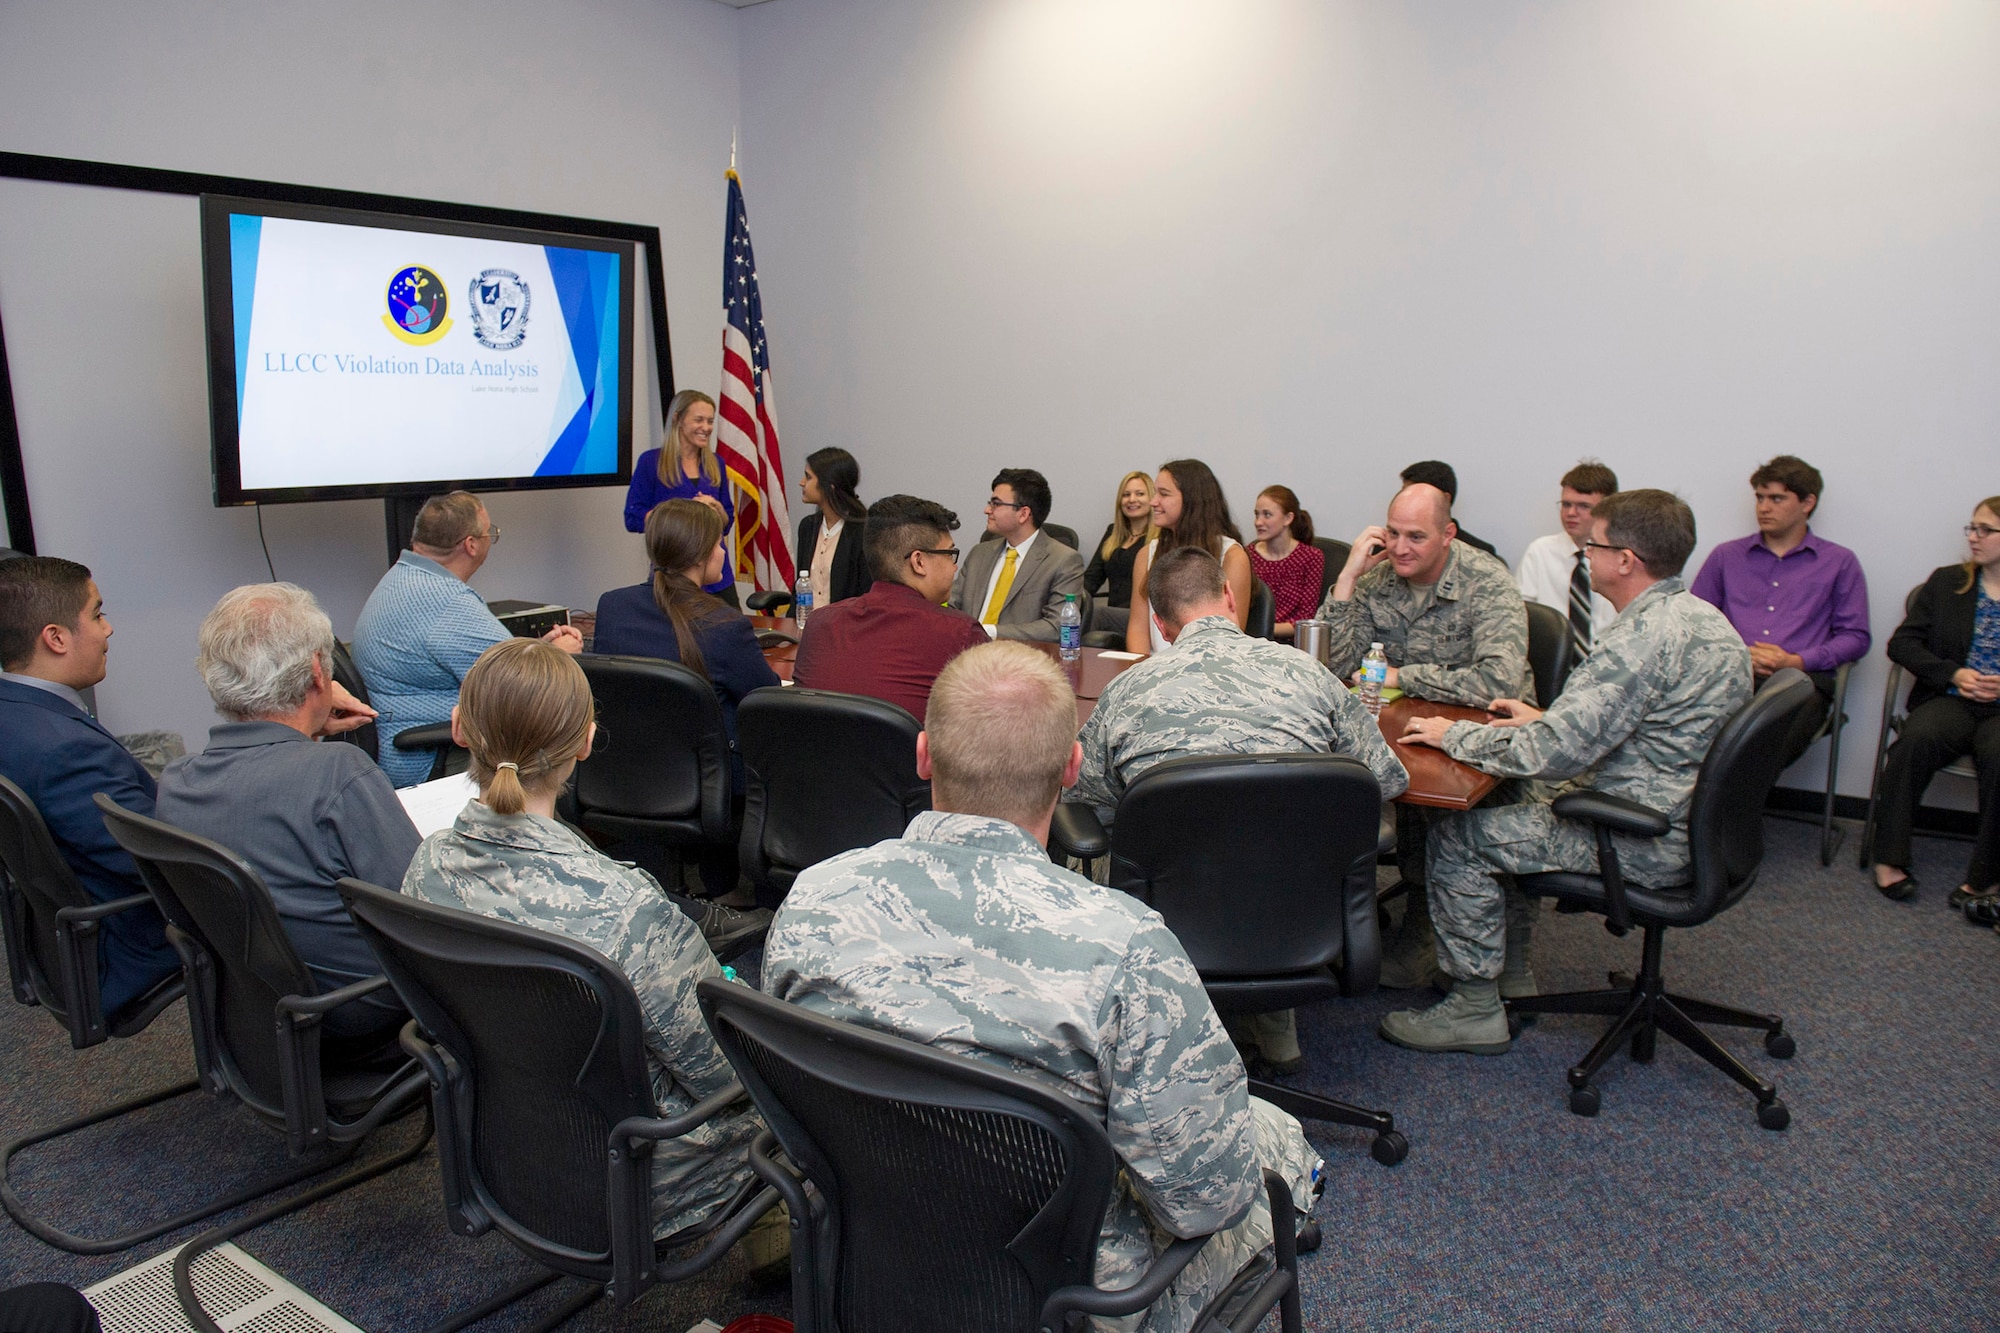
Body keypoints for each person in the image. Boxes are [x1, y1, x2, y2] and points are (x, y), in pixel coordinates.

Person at [764, 641, 1323, 1333]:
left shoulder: (815, 897)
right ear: (1073, 766)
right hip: (1065, 1300)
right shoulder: (1127, 944)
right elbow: (1203, 1201)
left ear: (922, 754)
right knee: (1277, 1143)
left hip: (864, 1249)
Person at [401, 638, 764, 1239]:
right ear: (587, 741)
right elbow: (726, 1078)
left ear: (460, 729)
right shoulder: (627, 911)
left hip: (499, 1150)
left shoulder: (427, 867)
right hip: (645, 1181)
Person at [1387, 490, 1752, 1055]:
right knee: (1509, 801)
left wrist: (1451, 734)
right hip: (1685, 817)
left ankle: (1474, 1009)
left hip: (1643, 835)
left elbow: (1553, 753)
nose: (1586, 556)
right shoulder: (1700, 619)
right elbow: (1635, 722)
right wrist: (1544, 717)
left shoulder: (1642, 639)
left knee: (1459, 836)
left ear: (1625, 560)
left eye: (1593, 546)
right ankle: (1510, 974)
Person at [1068, 546, 1409, 1076]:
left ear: (1158, 622)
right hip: (1298, 912)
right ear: (1230, 597)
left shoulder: (1129, 690)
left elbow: (1087, 799)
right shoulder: (1311, 675)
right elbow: (1385, 781)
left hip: (1171, 921)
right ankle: (1275, 1026)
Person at [154, 584, 414, 1044]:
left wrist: (307, 729)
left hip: (257, 1010)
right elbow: (418, 908)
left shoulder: (176, 783)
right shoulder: (338, 773)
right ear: (319, 672)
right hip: (361, 1011)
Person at [1316, 481, 1533, 990]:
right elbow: (1333, 665)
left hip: (1482, 740)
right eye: (1391, 533)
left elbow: (1498, 682)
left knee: (1439, 812)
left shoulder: (1487, 581)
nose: (1399, 548)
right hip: (1406, 732)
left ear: (1448, 535)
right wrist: (1347, 578)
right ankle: (1407, 922)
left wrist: (1403, 675)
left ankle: (1463, 944)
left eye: (1416, 536)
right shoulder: (1379, 579)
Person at [0, 557, 181, 1014]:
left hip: (61, 937)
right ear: (56, 638)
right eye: (97, 614)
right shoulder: (65, 752)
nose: (109, 629)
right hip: (133, 941)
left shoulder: (15, 711)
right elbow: (167, 862)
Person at [352, 491, 583, 788]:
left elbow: (496, 659)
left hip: (393, 748)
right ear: (471, 545)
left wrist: (540, 650)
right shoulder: (448, 603)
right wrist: (559, 656)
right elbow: (523, 687)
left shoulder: (401, 577)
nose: (491, 538)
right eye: (490, 533)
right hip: (430, 756)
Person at [1690, 455, 1870, 770]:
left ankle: (1727, 812)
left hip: (1801, 681)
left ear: (1807, 502)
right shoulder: (1726, 556)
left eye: (1777, 498)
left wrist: (1795, 660)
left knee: (1764, 743)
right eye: (1759, 498)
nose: (1764, 507)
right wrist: (1740, 653)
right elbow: (1692, 622)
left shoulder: (1839, 562)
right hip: (1728, 672)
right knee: (1685, 724)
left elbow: (1856, 637)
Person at [1867, 498, 2000, 912]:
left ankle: (1985, 876)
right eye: (1971, 528)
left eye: (1984, 530)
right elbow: (1902, 644)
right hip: (1950, 698)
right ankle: (1889, 859)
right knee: (1912, 743)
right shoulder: (1947, 583)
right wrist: (1954, 674)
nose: (1973, 538)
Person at [595, 499, 781, 781]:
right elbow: (769, 699)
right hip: (706, 790)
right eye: (719, 544)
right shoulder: (725, 625)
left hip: (619, 783)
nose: (722, 552)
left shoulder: (611, 607)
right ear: (698, 556)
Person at [791, 494, 988, 722]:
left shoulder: (819, 623)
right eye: (950, 554)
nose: (955, 568)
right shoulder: (959, 633)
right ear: (919, 562)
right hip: (911, 757)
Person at [1125, 459, 1252, 655]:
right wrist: (1144, 673)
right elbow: (1138, 630)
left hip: (1209, 671)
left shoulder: (1232, 557)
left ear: (1193, 500)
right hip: (1155, 670)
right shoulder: (1146, 554)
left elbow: (1230, 638)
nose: (1153, 502)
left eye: (1164, 494)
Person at [624, 389, 739, 603]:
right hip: (674, 577)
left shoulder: (716, 464)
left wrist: (716, 509)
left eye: (710, 421)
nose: (706, 427)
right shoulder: (651, 462)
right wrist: (681, 516)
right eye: (699, 420)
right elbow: (632, 518)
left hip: (718, 577)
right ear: (677, 419)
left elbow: (727, 522)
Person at [948, 468, 1087, 641]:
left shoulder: (1063, 560)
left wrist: (987, 632)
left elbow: (1056, 627)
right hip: (964, 654)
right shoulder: (979, 553)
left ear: (1023, 514)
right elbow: (951, 605)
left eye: (996, 504)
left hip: (1019, 659)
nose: (987, 510)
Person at [1516, 460, 1620, 664]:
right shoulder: (1540, 551)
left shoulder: (1620, 557)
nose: (1571, 513)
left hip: (1606, 663)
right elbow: (1520, 615)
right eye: (1566, 504)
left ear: (1607, 509)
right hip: (1551, 663)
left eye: (1584, 506)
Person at [1247, 485, 1326, 640]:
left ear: (1288, 518)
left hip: (1291, 643)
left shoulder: (1311, 557)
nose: (1258, 522)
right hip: (1252, 641)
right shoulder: (1247, 554)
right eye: (1257, 515)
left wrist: (1265, 629)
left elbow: (1305, 619)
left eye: (1267, 515)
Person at [1083, 471, 1156, 637]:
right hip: (1115, 615)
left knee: (1099, 615)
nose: (1131, 500)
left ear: (1152, 498)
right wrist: (1070, 601)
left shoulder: (1159, 539)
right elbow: (1091, 579)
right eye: (1126, 495)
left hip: (1143, 617)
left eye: (1140, 494)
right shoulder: (1113, 533)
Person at [794, 446, 869, 607]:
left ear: (830, 485)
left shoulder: (862, 531)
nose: (801, 483)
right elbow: (800, 586)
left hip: (844, 626)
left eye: (808, 477)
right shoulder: (808, 526)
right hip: (807, 624)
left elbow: (865, 596)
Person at [1400, 461, 1500, 561]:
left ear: (1445, 499)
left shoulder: (1480, 553)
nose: (1403, 500)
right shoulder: (1391, 544)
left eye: (1415, 495)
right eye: (1403, 493)